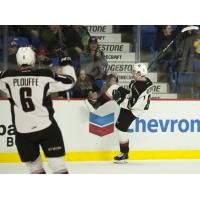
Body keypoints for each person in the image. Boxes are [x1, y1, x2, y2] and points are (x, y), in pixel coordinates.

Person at [0, 47, 77, 173]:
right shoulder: (45, 75)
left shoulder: (6, 77)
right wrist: (65, 62)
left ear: (18, 61)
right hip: (46, 128)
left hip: (23, 131)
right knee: (58, 167)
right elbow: (70, 81)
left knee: (35, 169)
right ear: (33, 60)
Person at [85, 63, 153, 163]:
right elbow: (135, 91)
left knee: (121, 129)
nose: (132, 73)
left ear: (140, 73)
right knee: (113, 87)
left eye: (135, 72)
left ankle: (124, 154)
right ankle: (95, 105)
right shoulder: (146, 81)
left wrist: (119, 99)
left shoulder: (138, 87)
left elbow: (131, 106)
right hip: (133, 100)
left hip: (134, 110)